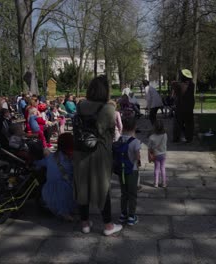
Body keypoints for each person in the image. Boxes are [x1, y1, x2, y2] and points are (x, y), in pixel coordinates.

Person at [73, 75, 123, 236]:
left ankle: (85, 223)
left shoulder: (80, 105)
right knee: (102, 187)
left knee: (82, 186)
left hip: (81, 151)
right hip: (100, 152)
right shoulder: (108, 109)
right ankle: (108, 225)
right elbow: (111, 130)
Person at [34, 133, 76, 221]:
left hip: (48, 191)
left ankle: (62, 211)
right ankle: (65, 212)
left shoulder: (51, 157)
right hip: (66, 190)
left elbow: (38, 163)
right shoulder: (71, 159)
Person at [115, 117, 141, 225]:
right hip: (132, 171)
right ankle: (131, 216)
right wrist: (138, 162)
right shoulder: (136, 142)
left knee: (124, 193)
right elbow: (137, 157)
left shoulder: (119, 139)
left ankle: (123, 214)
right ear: (134, 127)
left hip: (121, 171)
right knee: (132, 194)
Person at [172, 69, 195, 143]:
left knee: (178, 123)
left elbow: (174, 85)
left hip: (180, 107)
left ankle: (176, 138)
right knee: (189, 123)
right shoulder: (192, 85)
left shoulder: (178, 85)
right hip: (189, 107)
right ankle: (189, 138)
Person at [148, 120, 168, 187]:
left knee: (156, 168)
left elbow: (149, 147)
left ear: (154, 127)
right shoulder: (165, 135)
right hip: (163, 154)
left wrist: (149, 155)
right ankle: (164, 183)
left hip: (156, 155)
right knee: (163, 168)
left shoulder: (152, 137)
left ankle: (156, 183)